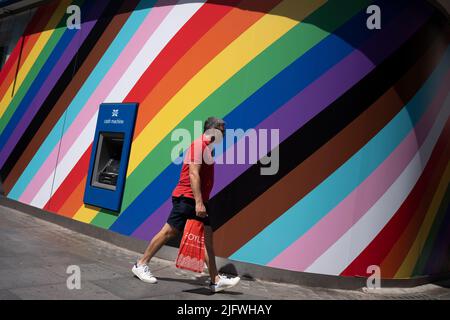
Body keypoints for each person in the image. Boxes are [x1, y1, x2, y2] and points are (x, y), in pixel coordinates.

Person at [132, 117, 240, 293]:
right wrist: (198, 202)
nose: (224, 133)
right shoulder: (198, 146)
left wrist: (202, 201)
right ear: (211, 130)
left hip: (198, 200)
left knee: (207, 238)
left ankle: (215, 280)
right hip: (188, 198)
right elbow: (193, 174)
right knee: (169, 231)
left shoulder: (208, 149)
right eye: (222, 130)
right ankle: (141, 264)